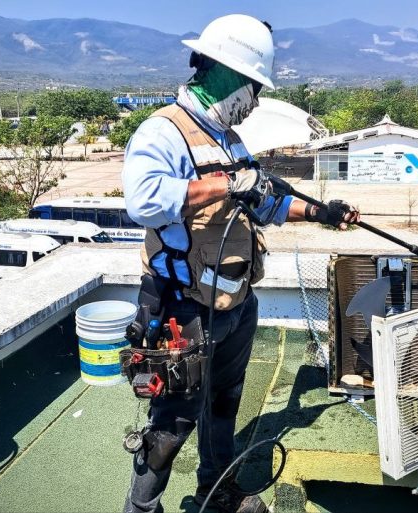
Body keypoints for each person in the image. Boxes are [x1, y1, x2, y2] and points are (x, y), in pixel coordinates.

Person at [121, 14, 359, 513]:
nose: (255, 100)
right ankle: (141, 508)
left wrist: (321, 212)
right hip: (184, 308)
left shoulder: (229, 140)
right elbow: (143, 201)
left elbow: (265, 203)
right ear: (227, 75)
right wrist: (226, 183)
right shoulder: (164, 132)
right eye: (254, 87)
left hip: (235, 303)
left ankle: (217, 492)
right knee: (171, 424)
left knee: (224, 403)